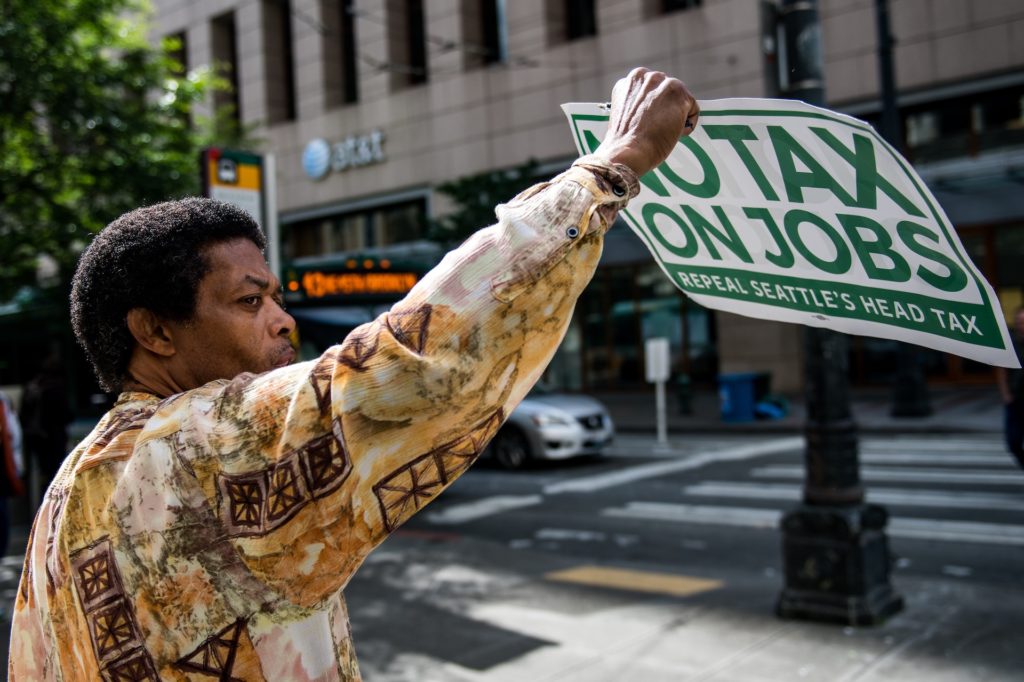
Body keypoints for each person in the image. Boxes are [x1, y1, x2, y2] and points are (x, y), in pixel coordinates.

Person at [9, 68, 698, 680]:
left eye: (277, 298)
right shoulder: (193, 449)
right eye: (250, 301)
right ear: (154, 332)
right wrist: (612, 167)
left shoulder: (66, 494)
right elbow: (414, 366)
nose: (283, 321)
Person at [20, 354, 73, 499]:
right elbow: (66, 415)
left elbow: (23, 416)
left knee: (41, 475)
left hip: (35, 440)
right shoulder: (56, 388)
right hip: (54, 439)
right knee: (57, 475)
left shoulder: (32, 387)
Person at [996, 306, 1024, 468]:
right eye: (1019, 322)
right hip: (1015, 399)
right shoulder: (1011, 343)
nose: (1021, 325)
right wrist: (1006, 393)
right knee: (1013, 441)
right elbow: (1002, 370)